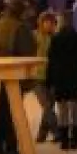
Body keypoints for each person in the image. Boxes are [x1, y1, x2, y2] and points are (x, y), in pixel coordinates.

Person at [0, 0, 37, 154]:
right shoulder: (20, 28)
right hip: (13, 76)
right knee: (12, 112)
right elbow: (27, 53)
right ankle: (10, 147)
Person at [46, 11, 77, 150]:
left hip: (61, 78)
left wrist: (50, 81)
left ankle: (64, 141)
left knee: (63, 111)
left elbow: (51, 61)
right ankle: (75, 141)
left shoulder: (56, 39)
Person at [31, 11, 60, 142]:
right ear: (41, 23)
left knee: (48, 107)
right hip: (37, 76)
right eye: (46, 22)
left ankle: (42, 135)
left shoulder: (56, 38)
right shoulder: (33, 36)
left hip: (52, 76)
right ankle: (58, 132)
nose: (49, 25)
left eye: (52, 23)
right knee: (46, 105)